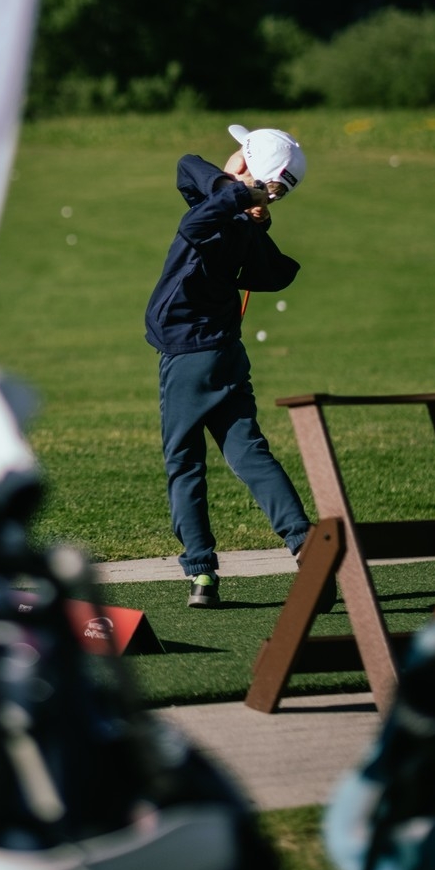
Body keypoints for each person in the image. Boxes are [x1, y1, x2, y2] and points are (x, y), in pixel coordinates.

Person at [145, 124, 312, 607]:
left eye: (241, 149)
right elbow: (188, 169)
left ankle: (200, 573)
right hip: (224, 354)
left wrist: (242, 197)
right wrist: (244, 195)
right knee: (248, 452)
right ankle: (304, 543)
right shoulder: (234, 209)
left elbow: (193, 224)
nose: (232, 152)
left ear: (249, 160)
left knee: (184, 462)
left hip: (187, 355)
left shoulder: (221, 216)